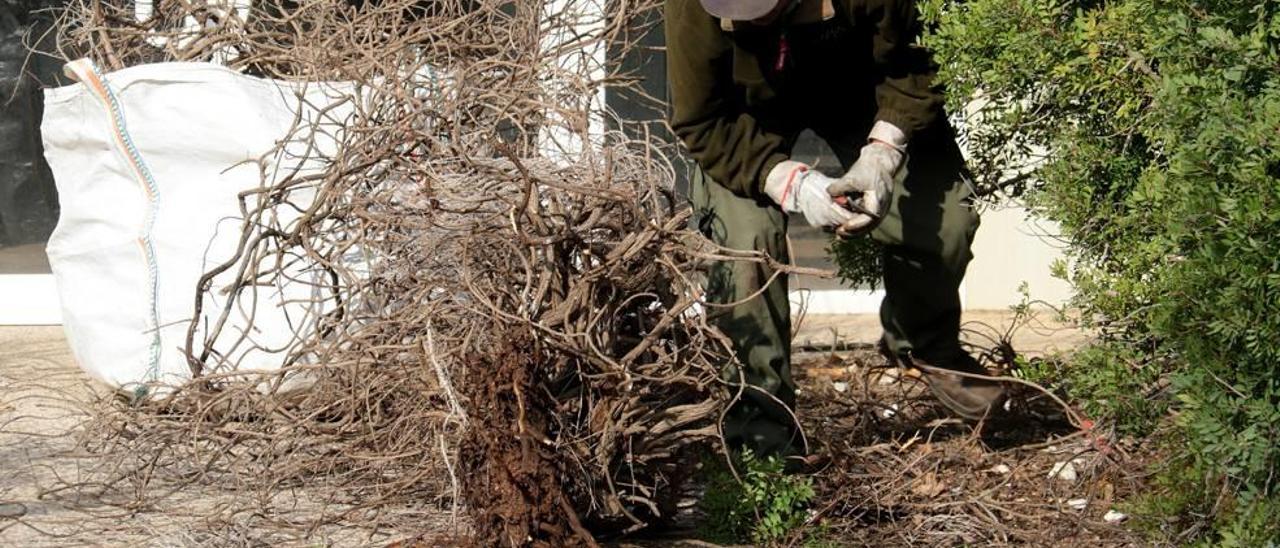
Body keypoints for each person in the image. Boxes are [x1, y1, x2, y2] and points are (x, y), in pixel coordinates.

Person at [665, 0, 1007, 459]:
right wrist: (789, 182)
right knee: (746, 248)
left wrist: (885, 150)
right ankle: (760, 435)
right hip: (744, 120)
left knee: (943, 220)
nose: (750, 18)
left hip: (861, 87)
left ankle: (927, 345)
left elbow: (921, 55)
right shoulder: (694, 6)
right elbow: (701, 119)